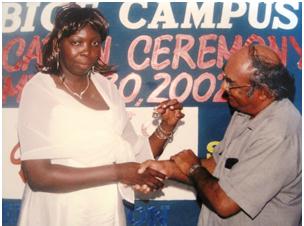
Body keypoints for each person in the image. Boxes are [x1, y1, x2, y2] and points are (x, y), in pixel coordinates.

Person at [17, 4, 184, 226]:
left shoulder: (107, 88)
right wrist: (118, 172)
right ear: (58, 44)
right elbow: (39, 176)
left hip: (103, 212)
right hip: (58, 212)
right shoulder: (40, 89)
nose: (87, 50)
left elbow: (135, 157)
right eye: (76, 42)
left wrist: (167, 126)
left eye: (94, 43)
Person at [140, 44, 301, 226]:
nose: (224, 88)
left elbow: (224, 203)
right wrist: (164, 168)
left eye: (231, 83)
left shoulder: (278, 134)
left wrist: (193, 168)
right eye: (225, 78)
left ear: (262, 92)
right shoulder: (245, 112)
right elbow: (218, 166)